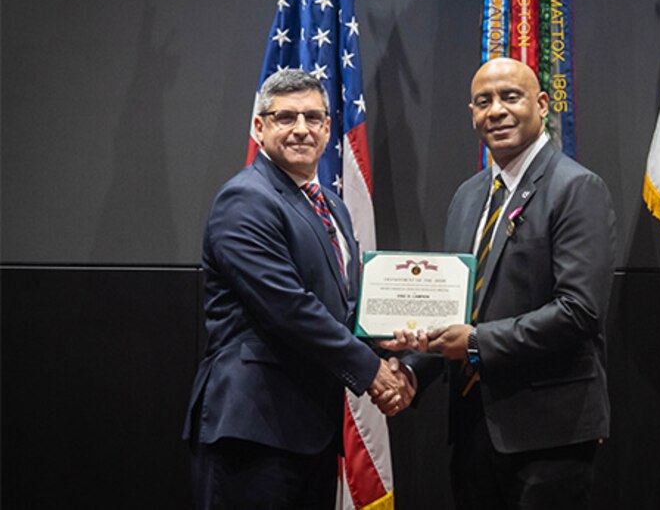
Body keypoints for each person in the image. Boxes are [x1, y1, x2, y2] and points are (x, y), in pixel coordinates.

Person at [384, 58, 616, 509]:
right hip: (473, 433)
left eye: (511, 97)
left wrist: (475, 342)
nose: (497, 111)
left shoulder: (576, 188)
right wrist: (413, 366)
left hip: (550, 438)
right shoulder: (468, 197)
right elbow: (454, 311)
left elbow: (579, 311)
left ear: (541, 104)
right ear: (472, 113)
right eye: (483, 101)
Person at [183, 69, 413, 509]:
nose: (301, 129)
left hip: (309, 431)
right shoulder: (246, 199)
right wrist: (372, 371)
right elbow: (288, 308)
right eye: (285, 117)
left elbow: (342, 308)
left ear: (329, 128)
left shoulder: (333, 208)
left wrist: (395, 344)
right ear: (260, 126)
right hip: (253, 429)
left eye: (313, 117)